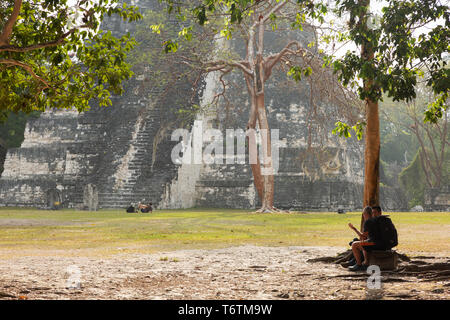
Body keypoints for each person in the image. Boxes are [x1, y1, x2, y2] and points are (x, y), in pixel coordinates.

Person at [349, 206, 388, 271]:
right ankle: (356, 261)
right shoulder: (379, 220)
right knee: (361, 242)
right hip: (383, 243)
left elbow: (363, 236)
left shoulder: (369, 222)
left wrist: (354, 228)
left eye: (363, 214)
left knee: (354, 244)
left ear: (365, 214)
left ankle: (359, 265)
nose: (363, 216)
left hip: (375, 243)